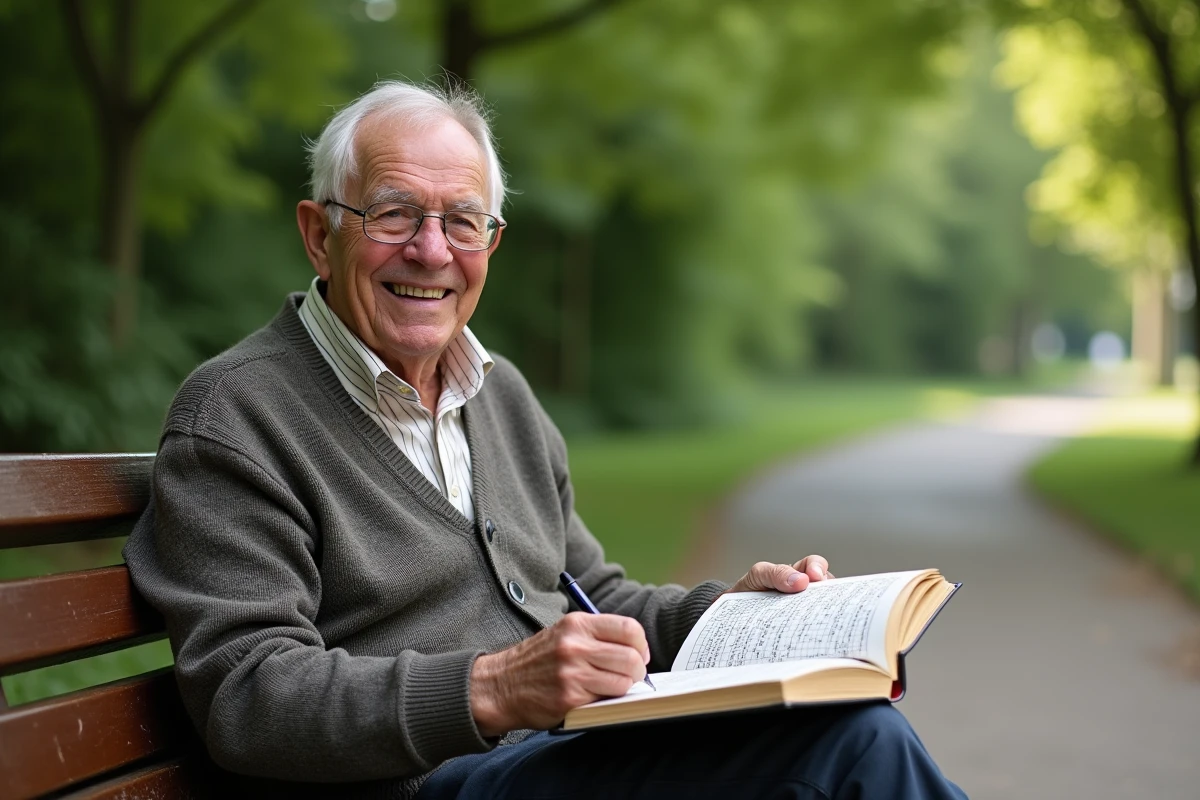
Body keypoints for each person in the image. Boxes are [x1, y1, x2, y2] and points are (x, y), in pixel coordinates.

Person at [124, 80, 967, 799]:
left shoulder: (503, 395)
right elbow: (249, 695)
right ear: (319, 232)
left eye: (462, 222)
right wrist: (493, 687)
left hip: (552, 757)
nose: (430, 250)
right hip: (424, 786)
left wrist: (734, 616)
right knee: (851, 753)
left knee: (848, 719)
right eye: (393, 214)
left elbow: (592, 595)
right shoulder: (237, 414)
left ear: (490, 244)